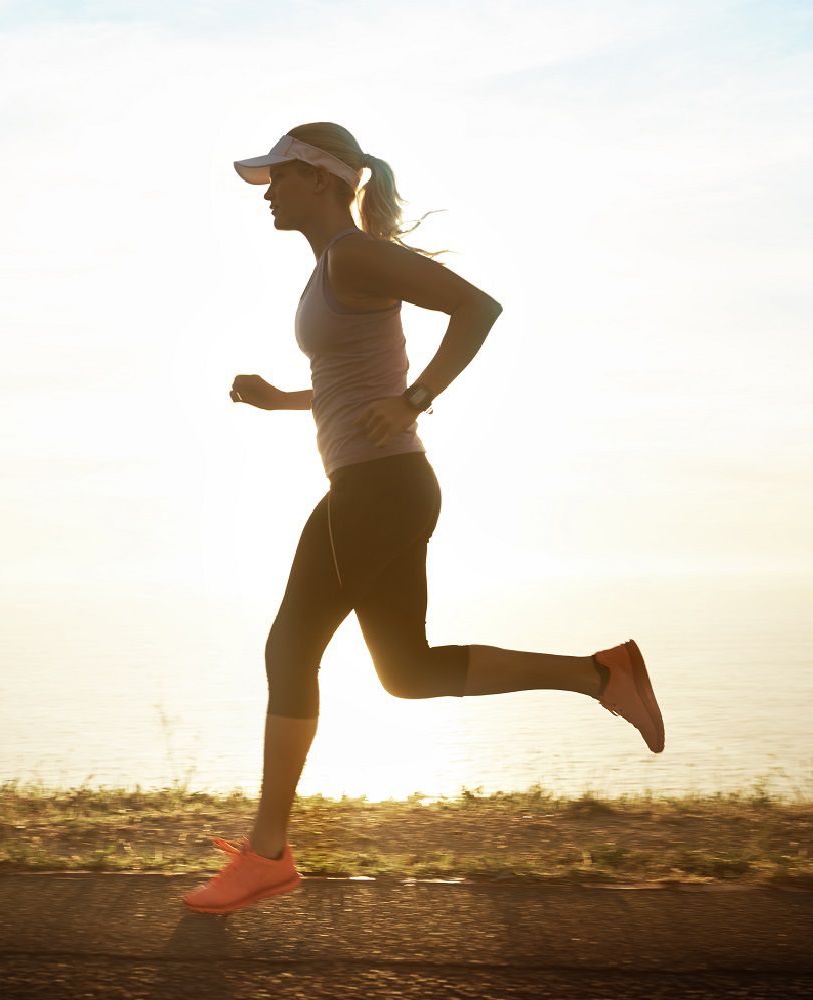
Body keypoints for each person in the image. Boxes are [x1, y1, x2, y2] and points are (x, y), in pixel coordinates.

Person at [182, 122, 665, 916]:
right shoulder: (331, 271)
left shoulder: (352, 255)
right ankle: (601, 674)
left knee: (290, 644)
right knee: (405, 672)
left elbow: (478, 308)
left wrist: (418, 397)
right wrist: (283, 400)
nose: (267, 190)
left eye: (279, 175)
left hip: (380, 487)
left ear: (322, 178)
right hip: (384, 485)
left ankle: (267, 853)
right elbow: (351, 384)